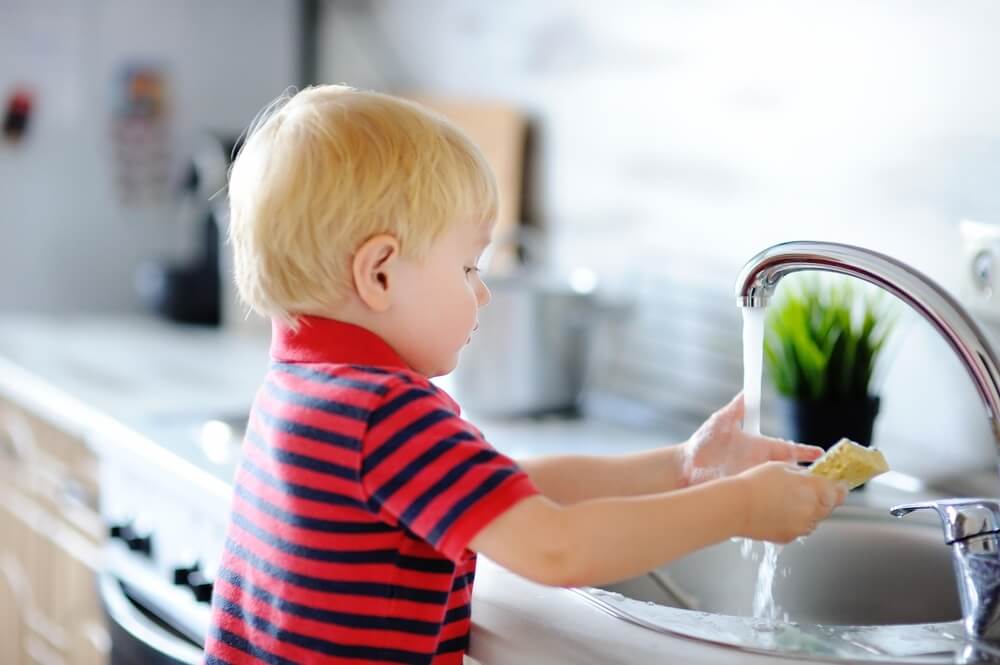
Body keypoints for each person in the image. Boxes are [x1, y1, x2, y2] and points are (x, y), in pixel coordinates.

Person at [202, 84, 847, 665]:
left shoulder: (304, 386)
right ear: (380, 274)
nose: (482, 294)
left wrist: (682, 466)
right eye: (468, 268)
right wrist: (738, 507)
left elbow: (506, 490)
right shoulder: (383, 411)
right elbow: (555, 548)